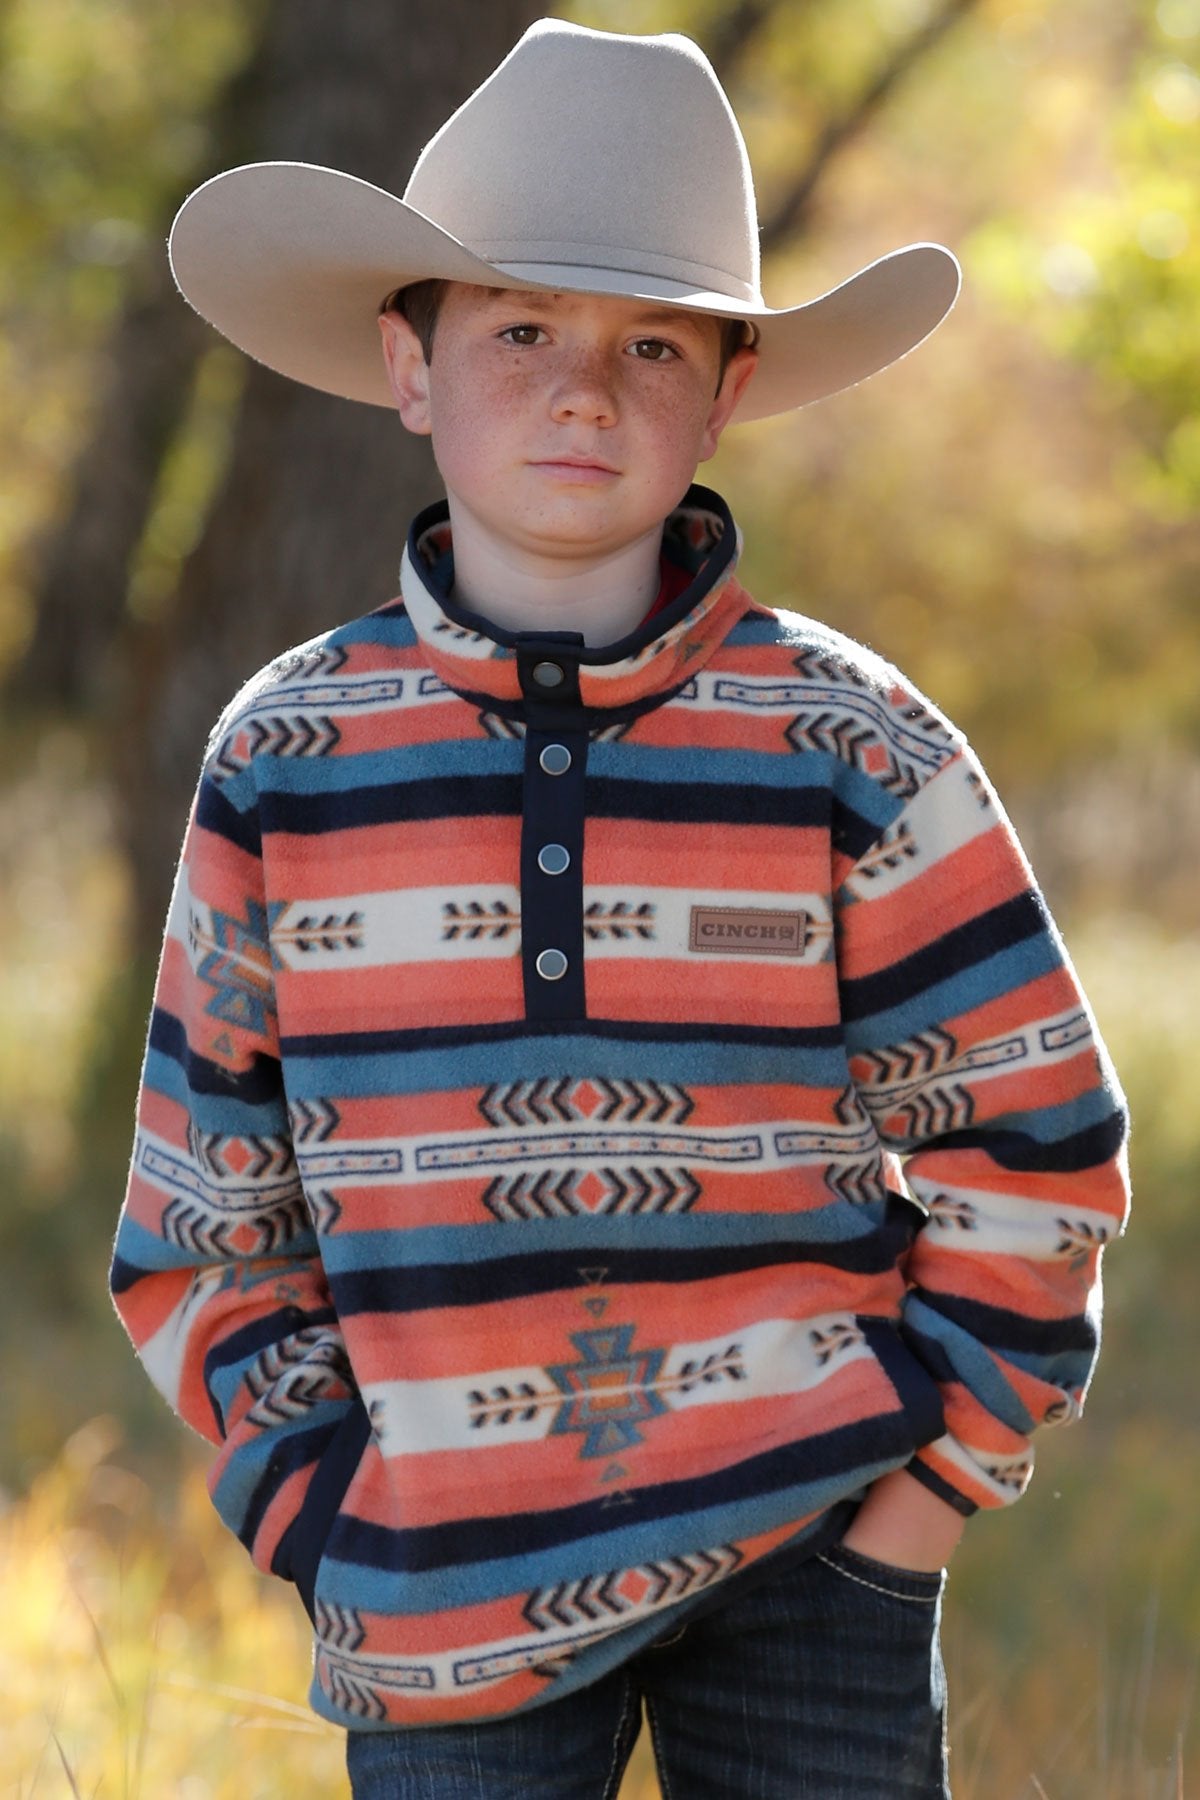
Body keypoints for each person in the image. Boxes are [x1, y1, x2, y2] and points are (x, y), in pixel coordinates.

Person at [110, 19, 1130, 1799]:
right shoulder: (291, 754)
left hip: (814, 1550)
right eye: (520, 331)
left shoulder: (847, 741)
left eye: (649, 343)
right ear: (408, 367)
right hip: (435, 1578)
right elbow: (207, 1208)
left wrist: (912, 1515)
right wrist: (323, 1516)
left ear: (724, 388)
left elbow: (1030, 1144)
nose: (584, 392)